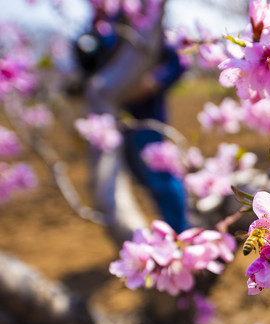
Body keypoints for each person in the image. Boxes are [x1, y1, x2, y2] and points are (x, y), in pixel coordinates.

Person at [75, 9, 190, 233]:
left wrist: (154, 82)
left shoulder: (143, 22)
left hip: (146, 115)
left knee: (161, 175)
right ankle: (166, 230)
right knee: (139, 177)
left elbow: (179, 61)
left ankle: (180, 231)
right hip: (112, 120)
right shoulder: (104, 27)